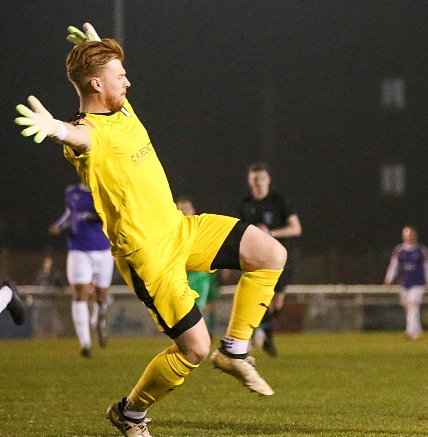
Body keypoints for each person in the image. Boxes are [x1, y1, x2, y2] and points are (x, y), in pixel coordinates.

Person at [15, 23, 286, 437]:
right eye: (119, 76)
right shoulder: (91, 132)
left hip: (181, 230)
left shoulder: (122, 110)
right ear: (95, 83)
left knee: (270, 254)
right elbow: (78, 136)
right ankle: (130, 412)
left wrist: (96, 46)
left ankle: (235, 350)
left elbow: (105, 86)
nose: (128, 80)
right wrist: (54, 129)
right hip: (149, 257)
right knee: (194, 348)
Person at [238, 162, 302, 357]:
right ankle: (267, 338)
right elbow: (239, 232)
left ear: (268, 180)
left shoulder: (278, 201)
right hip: (256, 259)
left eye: (261, 179)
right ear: (249, 181)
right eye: (254, 179)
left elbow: (296, 229)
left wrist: (271, 233)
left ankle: (261, 329)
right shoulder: (245, 204)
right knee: (261, 297)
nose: (258, 183)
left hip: (280, 258)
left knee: (277, 302)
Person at [50, 181, 114, 356]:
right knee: (80, 293)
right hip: (79, 249)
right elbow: (71, 214)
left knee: (101, 296)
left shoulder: (105, 190)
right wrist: (60, 225)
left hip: (103, 249)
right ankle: (85, 344)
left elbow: (112, 214)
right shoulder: (72, 192)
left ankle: (99, 320)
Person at [175, 196, 220, 335]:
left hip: (201, 273)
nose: (183, 212)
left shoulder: (200, 227)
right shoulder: (172, 231)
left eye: (185, 209)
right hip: (181, 273)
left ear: (192, 210)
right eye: (179, 209)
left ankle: (205, 333)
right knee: (183, 309)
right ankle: (189, 336)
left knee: (203, 306)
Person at [383, 226, 428, 340]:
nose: (409, 237)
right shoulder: (400, 250)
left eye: (411, 235)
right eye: (407, 235)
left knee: (413, 304)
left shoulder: (421, 250)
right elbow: (394, 265)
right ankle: (417, 329)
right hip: (404, 283)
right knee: (409, 307)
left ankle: (410, 331)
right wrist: (389, 279)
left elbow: (427, 267)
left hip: (418, 283)